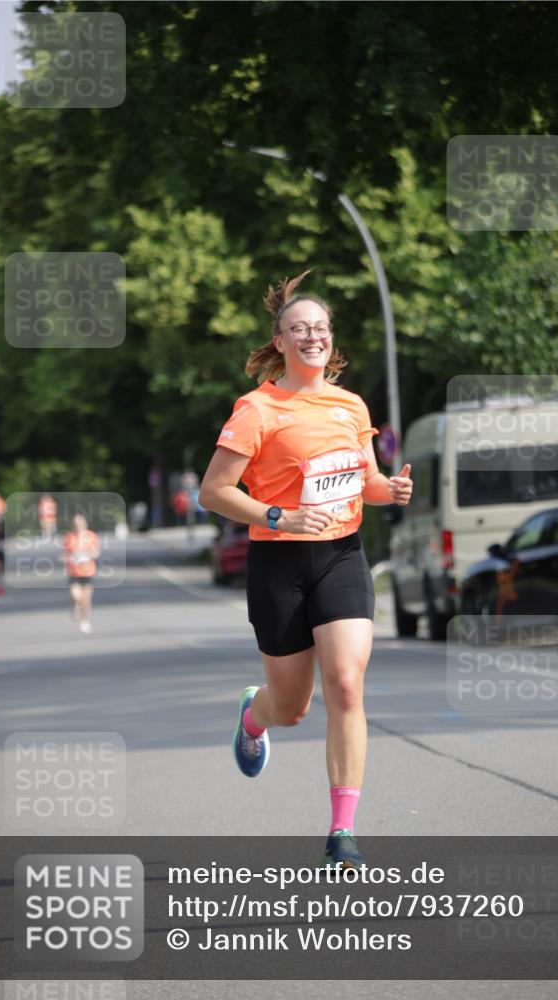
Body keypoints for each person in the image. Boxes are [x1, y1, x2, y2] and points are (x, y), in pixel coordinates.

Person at [199, 271, 413, 869]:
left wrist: (388, 490)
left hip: (342, 555)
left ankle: (342, 833)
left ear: (330, 339)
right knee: (292, 707)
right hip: (279, 561)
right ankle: (253, 713)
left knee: (346, 685)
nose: (312, 336)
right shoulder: (258, 408)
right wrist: (278, 514)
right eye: (300, 329)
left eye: (320, 327)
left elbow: (364, 480)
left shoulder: (351, 404)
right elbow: (214, 492)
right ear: (281, 340)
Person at [63, 514, 100, 634]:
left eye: (80, 524)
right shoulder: (69, 537)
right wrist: (68, 558)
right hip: (74, 572)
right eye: (75, 524)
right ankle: (75, 605)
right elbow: (65, 553)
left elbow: (96, 553)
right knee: (76, 596)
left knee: (86, 599)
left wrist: (86, 553)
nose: (78, 526)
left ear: (85, 524)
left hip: (88, 571)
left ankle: (85, 621)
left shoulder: (91, 536)